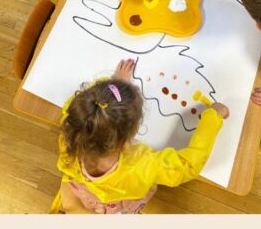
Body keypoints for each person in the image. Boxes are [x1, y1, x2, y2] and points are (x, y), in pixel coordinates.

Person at [52, 57, 229, 213]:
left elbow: (87, 106)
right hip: (117, 200)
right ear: (124, 142)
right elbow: (187, 165)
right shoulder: (142, 165)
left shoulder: (70, 130)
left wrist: (115, 85)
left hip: (86, 192)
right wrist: (213, 117)